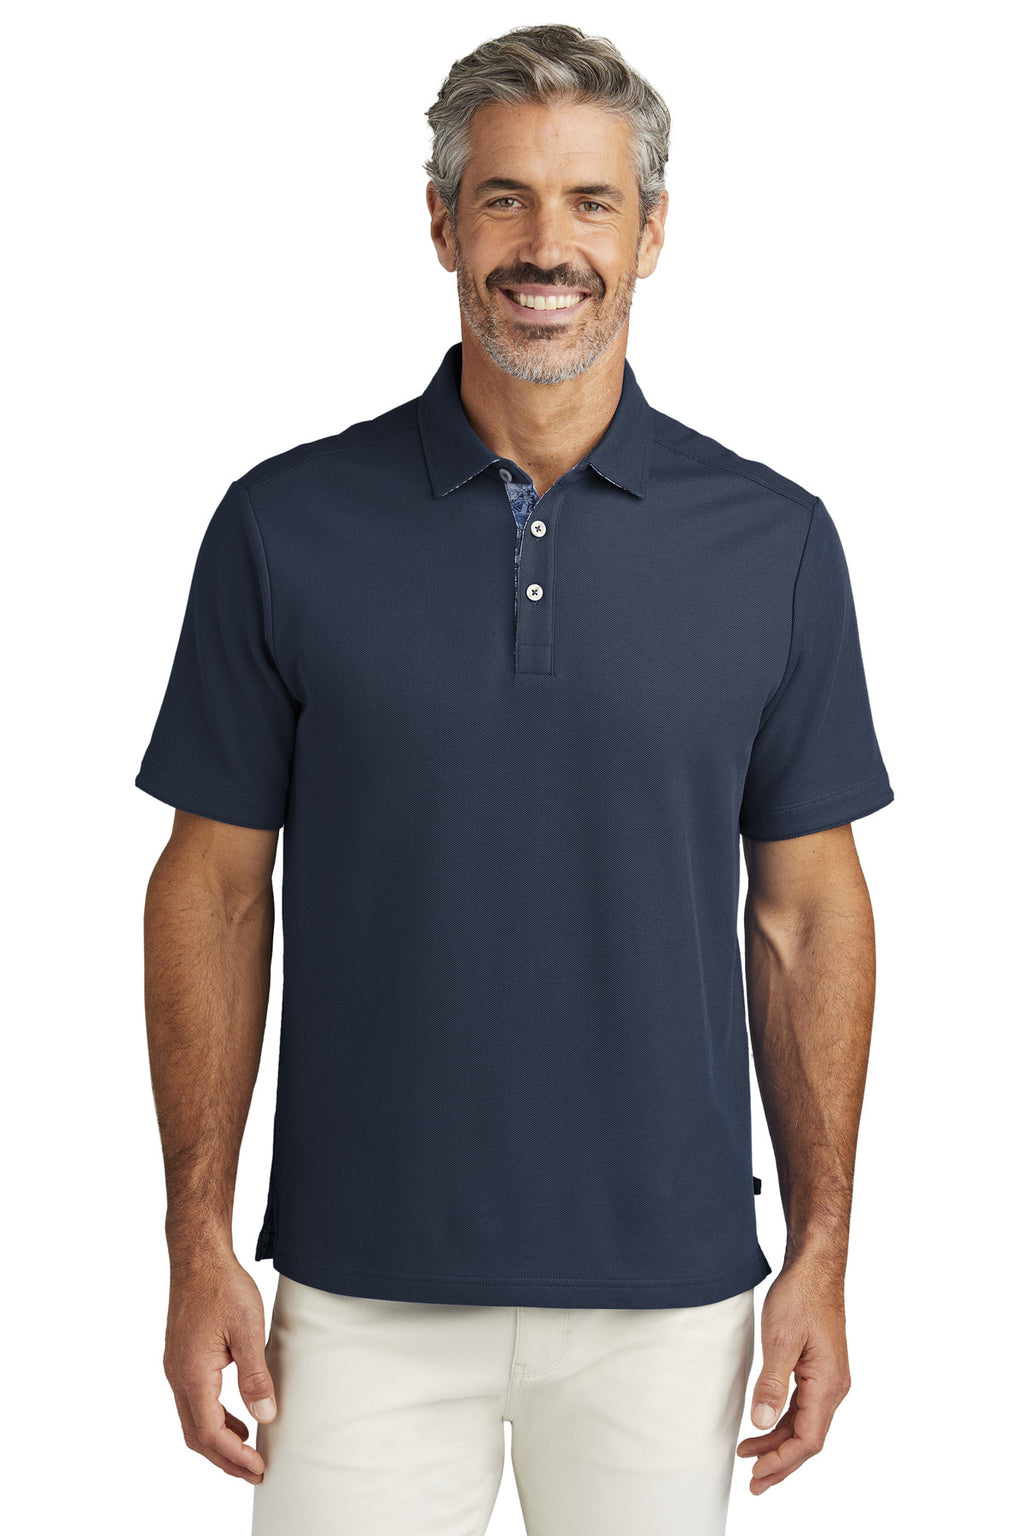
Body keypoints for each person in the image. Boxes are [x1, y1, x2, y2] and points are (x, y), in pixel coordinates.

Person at [136, 23, 894, 1536]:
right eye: (505, 199)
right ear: (442, 224)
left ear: (651, 232)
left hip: (670, 1300)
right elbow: (212, 892)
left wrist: (824, 1250)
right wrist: (195, 1238)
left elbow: (808, 915)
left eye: (591, 202)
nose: (549, 246)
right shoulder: (283, 525)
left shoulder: (775, 544)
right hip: (355, 1290)